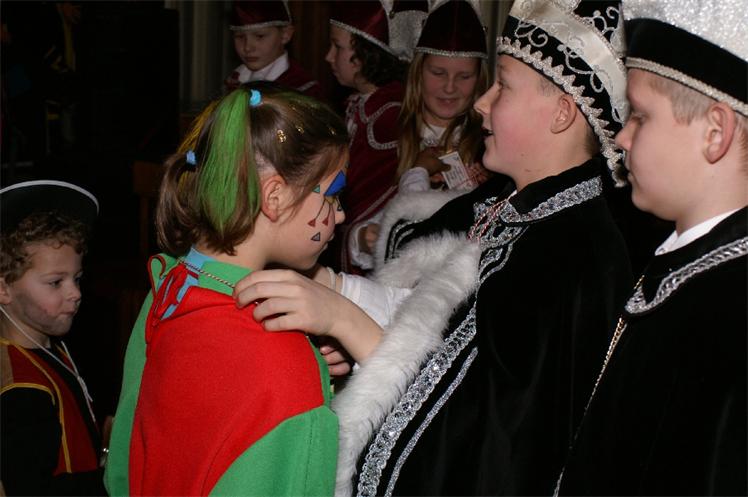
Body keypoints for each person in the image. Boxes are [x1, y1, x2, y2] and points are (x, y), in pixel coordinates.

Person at [234, 1, 634, 495]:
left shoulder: (571, 256)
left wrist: (347, 322)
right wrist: (336, 291)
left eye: (502, 86)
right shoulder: (511, 205)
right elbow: (430, 319)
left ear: (561, 112)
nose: (481, 103)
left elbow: (483, 437)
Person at [104, 83, 350, 496]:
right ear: (274, 197)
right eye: (334, 196)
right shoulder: (286, 366)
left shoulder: (168, 288)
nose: (339, 215)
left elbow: (123, 465)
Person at [556, 1, 748, 495]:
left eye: (640, 116)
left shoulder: (730, 313)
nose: (621, 137)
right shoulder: (686, 268)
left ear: (715, 133)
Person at [348, 0, 501, 272]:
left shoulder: (491, 144)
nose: (449, 87)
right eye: (438, 73)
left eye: (464, 76)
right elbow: (349, 213)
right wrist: (360, 239)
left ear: (480, 78)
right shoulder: (384, 132)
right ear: (418, 71)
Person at [0, 180, 106, 496]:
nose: (75, 293)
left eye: (77, 278)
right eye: (56, 282)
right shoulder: (20, 388)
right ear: (3, 289)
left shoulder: (49, 350)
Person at [325, 0, 427, 273]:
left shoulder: (386, 116)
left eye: (337, 47)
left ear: (365, 53)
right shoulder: (363, 106)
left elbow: (361, 196)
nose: (328, 56)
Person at [224, 0, 323, 100]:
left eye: (260, 36)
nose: (247, 47)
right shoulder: (234, 80)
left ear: (285, 35)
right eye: (240, 36)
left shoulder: (303, 90)